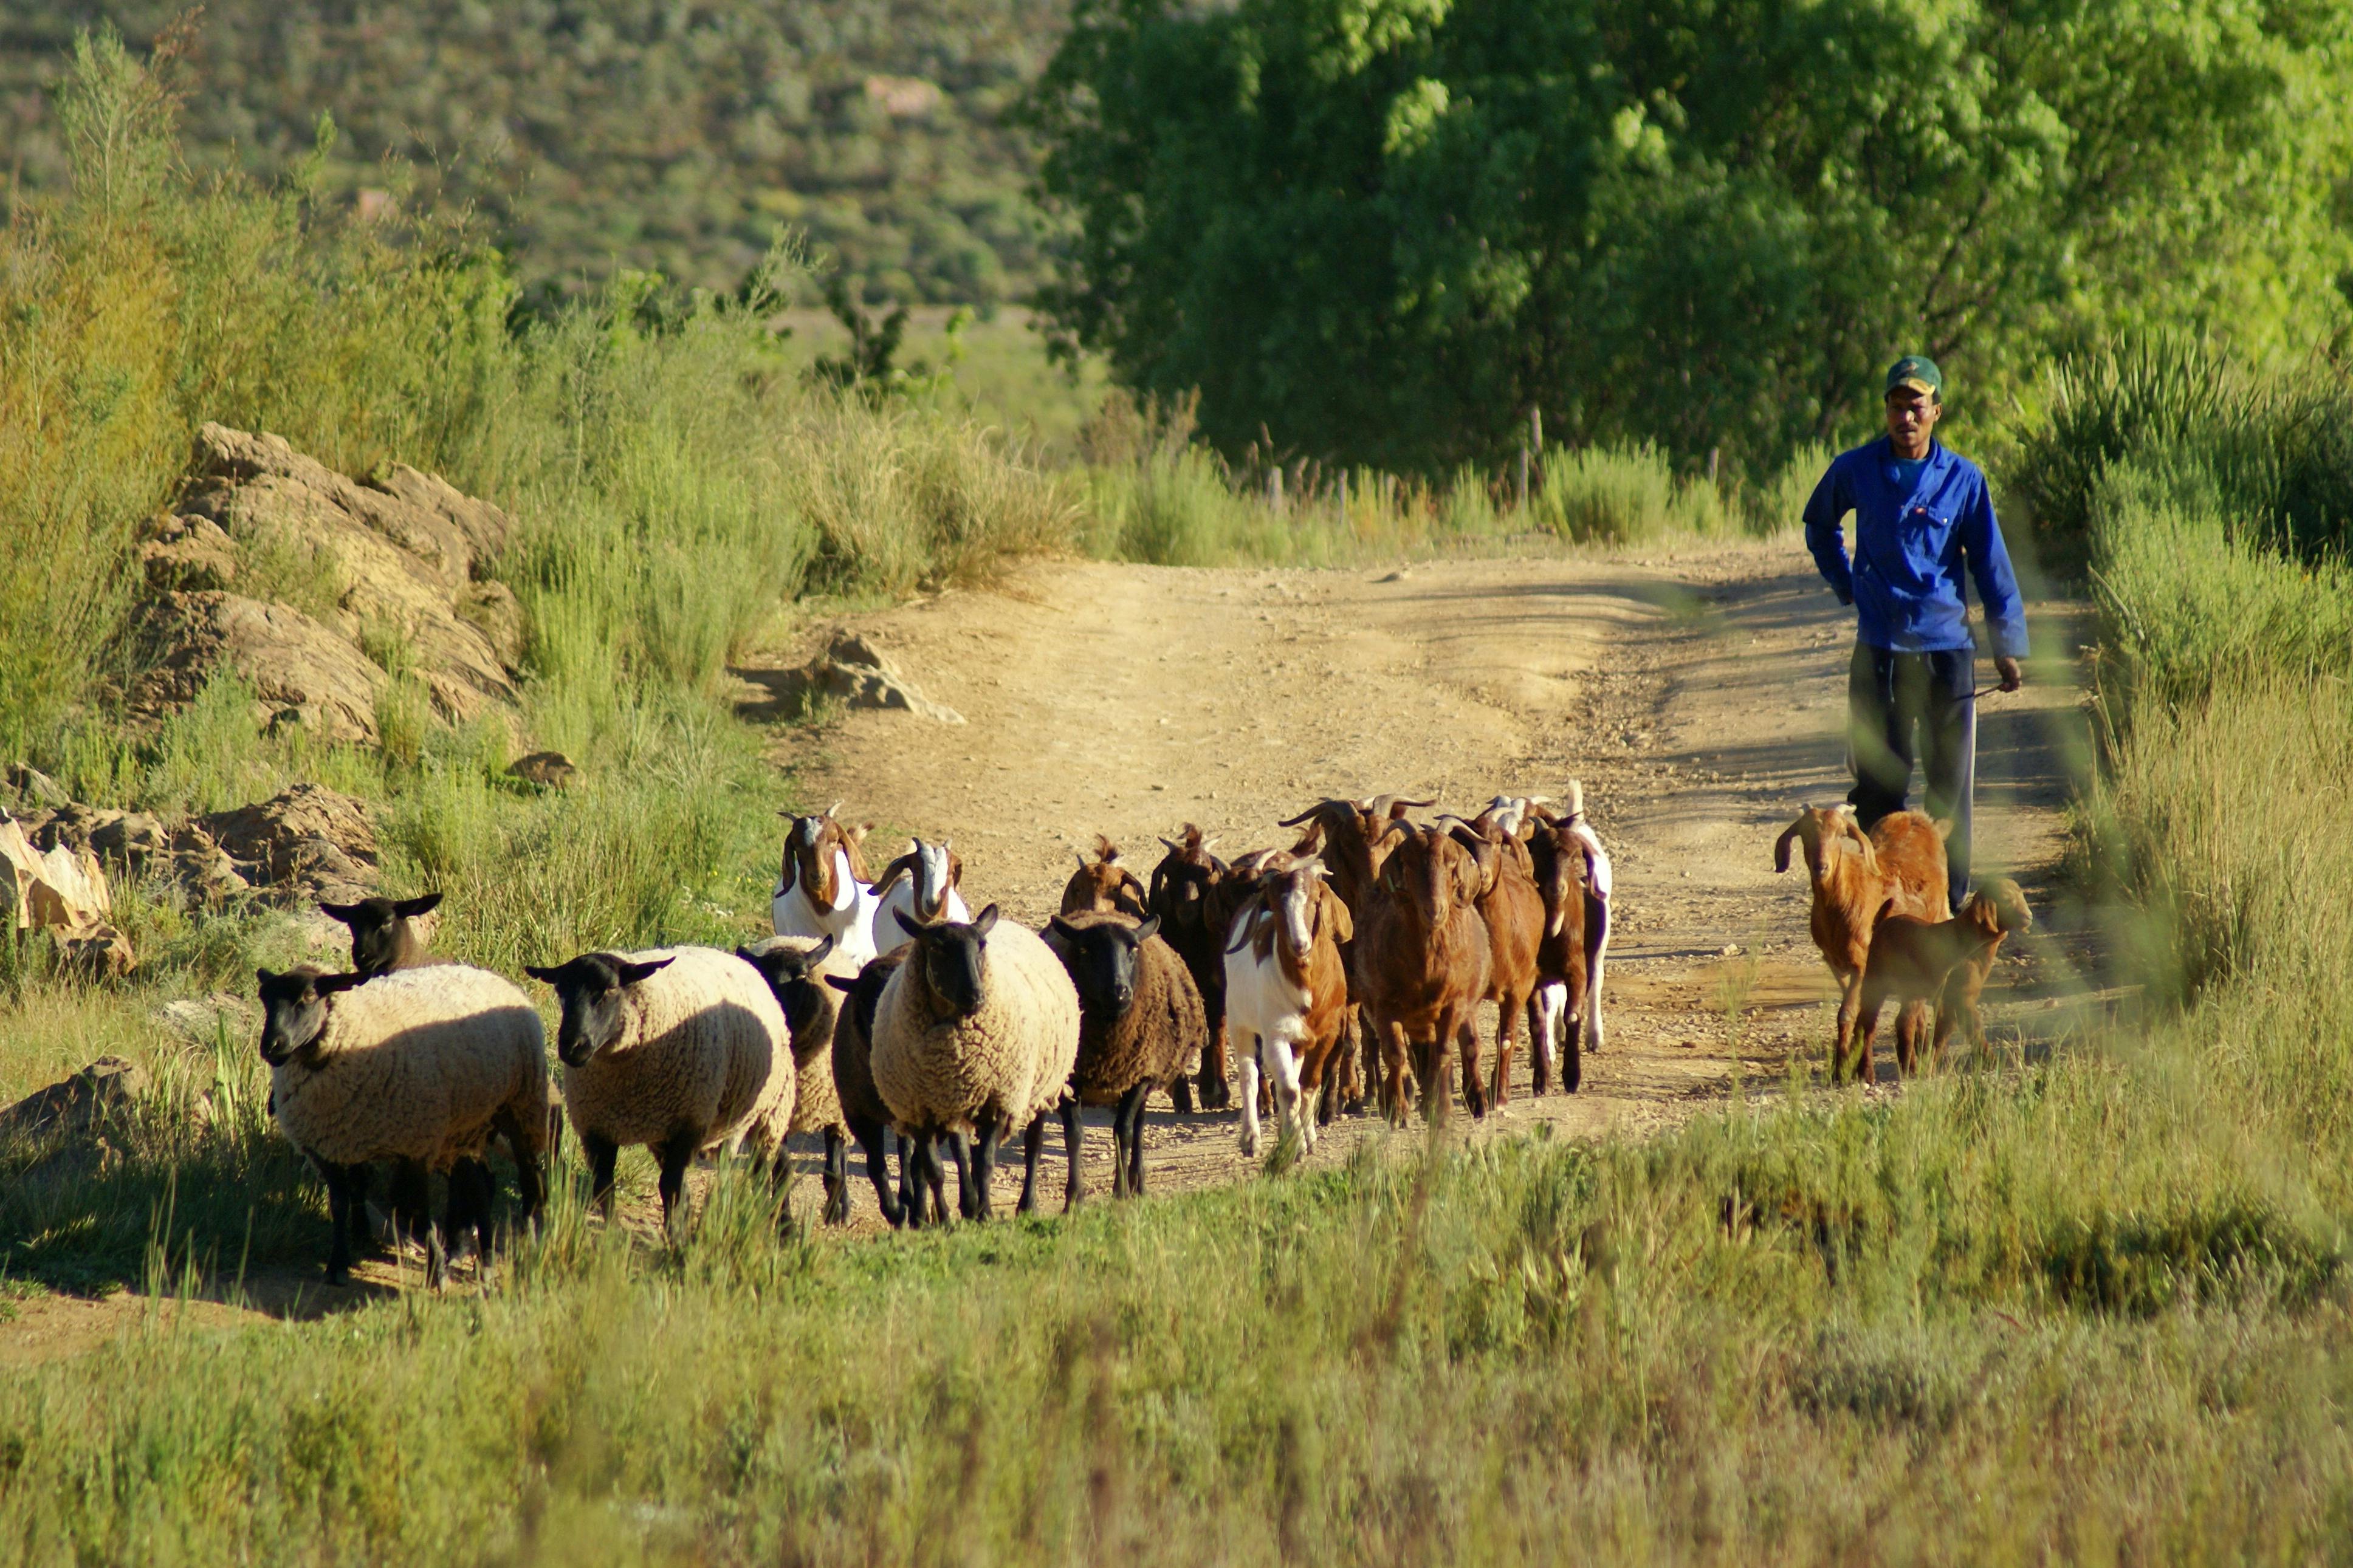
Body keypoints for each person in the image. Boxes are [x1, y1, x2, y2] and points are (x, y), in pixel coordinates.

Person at [1802, 354, 2027, 914]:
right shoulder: (1855, 469)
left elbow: (1992, 567)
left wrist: (2008, 646)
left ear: (1936, 412)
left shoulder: (1964, 479)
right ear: (1886, 410)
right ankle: (1877, 907)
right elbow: (1819, 522)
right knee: (1879, 788)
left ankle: (1943, 907)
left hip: (1947, 653)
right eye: (1897, 405)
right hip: (1878, 650)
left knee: (1950, 791)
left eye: (1917, 405)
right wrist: (1846, 582)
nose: (1906, 416)